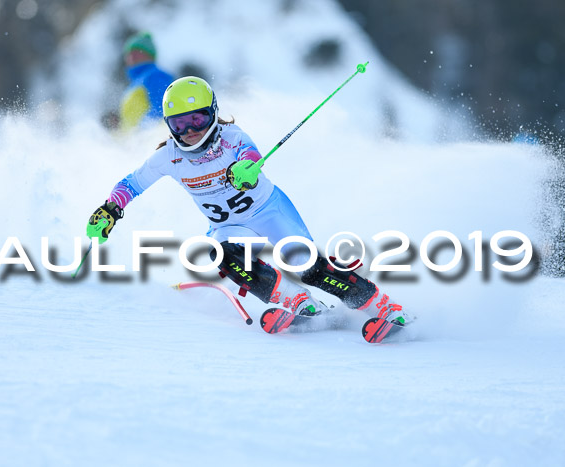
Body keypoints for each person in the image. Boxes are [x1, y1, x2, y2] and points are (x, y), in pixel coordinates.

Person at [87, 76, 412, 329]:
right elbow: (131, 184)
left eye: (197, 120)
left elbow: (250, 156)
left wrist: (246, 169)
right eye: (180, 124)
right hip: (230, 226)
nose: (190, 132)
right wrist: (111, 209)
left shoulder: (232, 138)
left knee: (307, 266)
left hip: (269, 212)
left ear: (213, 113)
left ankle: (382, 306)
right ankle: (296, 301)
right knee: (221, 255)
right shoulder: (168, 158)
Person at [115, 31, 174, 130]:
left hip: (149, 140)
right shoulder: (135, 83)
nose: (131, 57)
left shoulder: (155, 76)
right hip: (134, 142)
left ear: (149, 54)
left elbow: (162, 109)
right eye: (129, 53)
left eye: (137, 52)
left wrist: (142, 131)